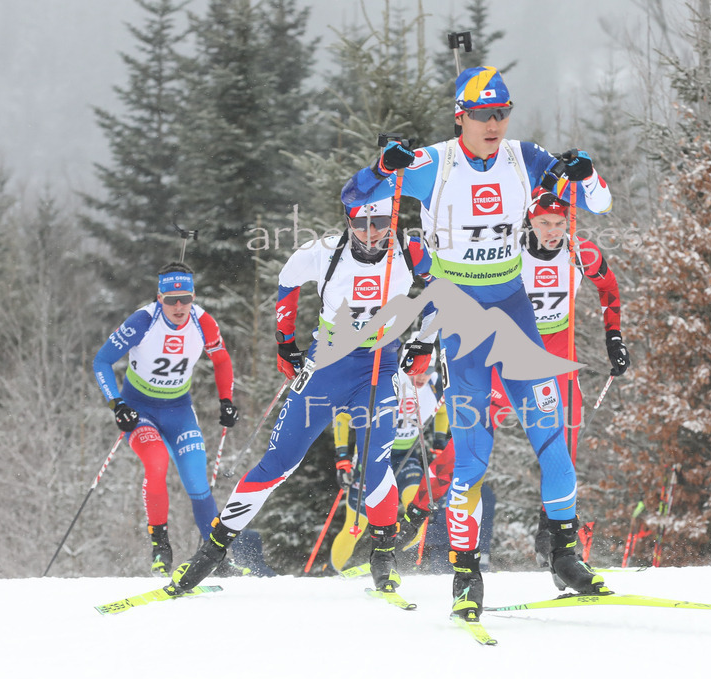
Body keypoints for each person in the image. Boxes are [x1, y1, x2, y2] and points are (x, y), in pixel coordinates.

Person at [341, 65, 614, 620]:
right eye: (483, 115)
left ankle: (564, 554)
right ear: (460, 117)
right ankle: (466, 574)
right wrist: (382, 167)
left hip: (514, 312)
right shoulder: (434, 165)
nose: (494, 124)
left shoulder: (523, 158)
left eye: (501, 113)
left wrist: (585, 177)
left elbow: (600, 202)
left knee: (552, 437)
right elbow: (353, 197)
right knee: (472, 455)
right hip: (463, 319)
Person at [169, 199, 432, 595]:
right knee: (279, 461)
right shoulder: (323, 251)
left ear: (392, 221)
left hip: (376, 369)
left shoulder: (411, 252)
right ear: (349, 221)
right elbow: (287, 280)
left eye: (380, 222)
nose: (371, 231)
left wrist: (423, 343)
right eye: (362, 223)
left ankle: (383, 555)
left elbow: (441, 289)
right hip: (327, 365)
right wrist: (284, 341)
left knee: (376, 464)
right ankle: (213, 548)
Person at [392, 188, 631, 567]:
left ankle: (552, 538)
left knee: (562, 449)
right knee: (460, 453)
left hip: (557, 363)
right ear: (528, 221)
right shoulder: (509, 252)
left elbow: (609, 290)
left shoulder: (582, 254)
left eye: (559, 224)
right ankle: (409, 523)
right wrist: (428, 341)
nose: (551, 232)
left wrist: (613, 337)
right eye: (543, 223)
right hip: (507, 365)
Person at [93, 262, 257, 578]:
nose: (178, 306)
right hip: (140, 409)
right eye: (171, 300)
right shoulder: (142, 321)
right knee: (156, 463)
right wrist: (117, 404)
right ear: (159, 298)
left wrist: (226, 401)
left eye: (185, 298)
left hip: (179, 410)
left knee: (197, 479)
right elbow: (101, 361)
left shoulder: (203, 322)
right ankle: (161, 549)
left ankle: (219, 558)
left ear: (193, 296)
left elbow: (221, 360)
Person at [329, 349, 450, 573]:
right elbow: (343, 417)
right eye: (417, 371)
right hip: (372, 456)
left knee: (418, 508)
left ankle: (389, 563)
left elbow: (441, 411)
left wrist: (439, 443)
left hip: (407, 456)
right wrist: (343, 457)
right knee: (356, 526)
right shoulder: (389, 380)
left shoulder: (434, 386)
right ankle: (334, 573)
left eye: (428, 370)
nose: (422, 377)